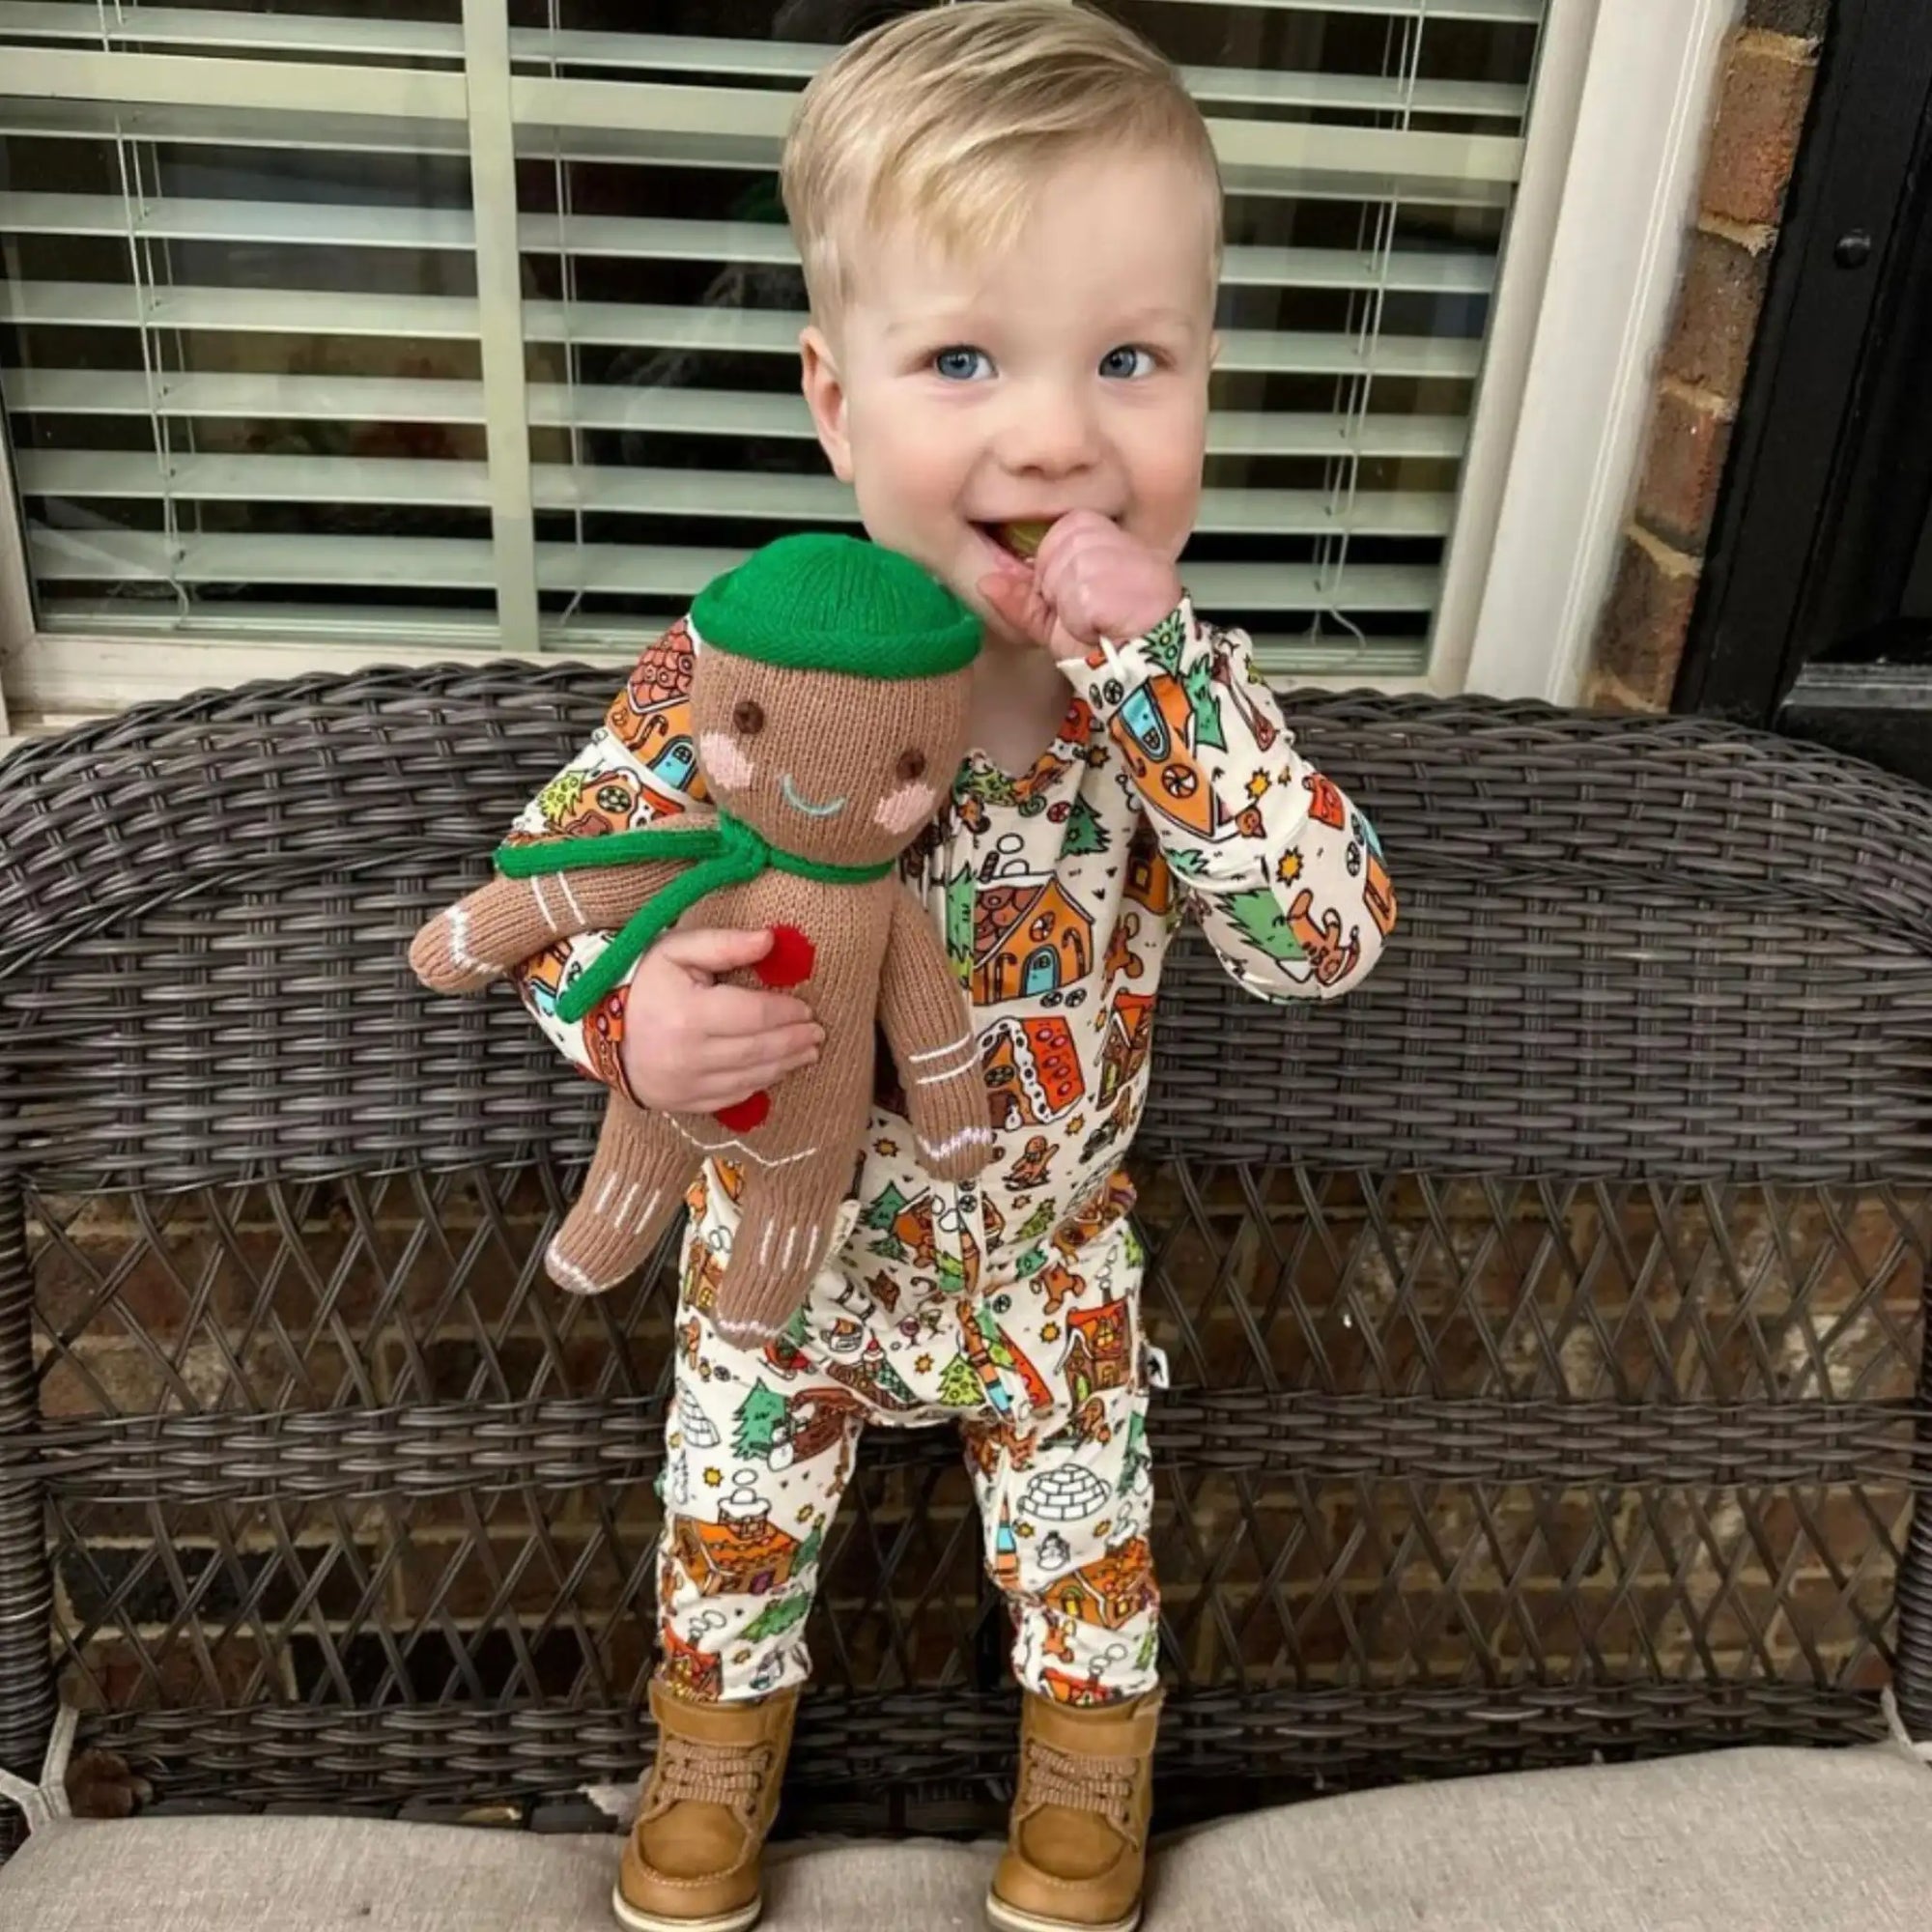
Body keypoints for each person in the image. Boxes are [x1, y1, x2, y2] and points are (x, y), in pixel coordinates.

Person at [496, 7, 1396, 1928]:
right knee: (724, 1520)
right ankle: (710, 1754)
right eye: (966, 357)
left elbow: (1322, 941)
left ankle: (1089, 1765)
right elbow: (570, 885)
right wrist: (628, 1020)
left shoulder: (1174, 703)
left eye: (1130, 358)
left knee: (1089, 1526)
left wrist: (1162, 683)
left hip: (1044, 1250)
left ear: (1206, 385)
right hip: (773, 1238)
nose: (1060, 430)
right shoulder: (744, 657)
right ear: (836, 401)